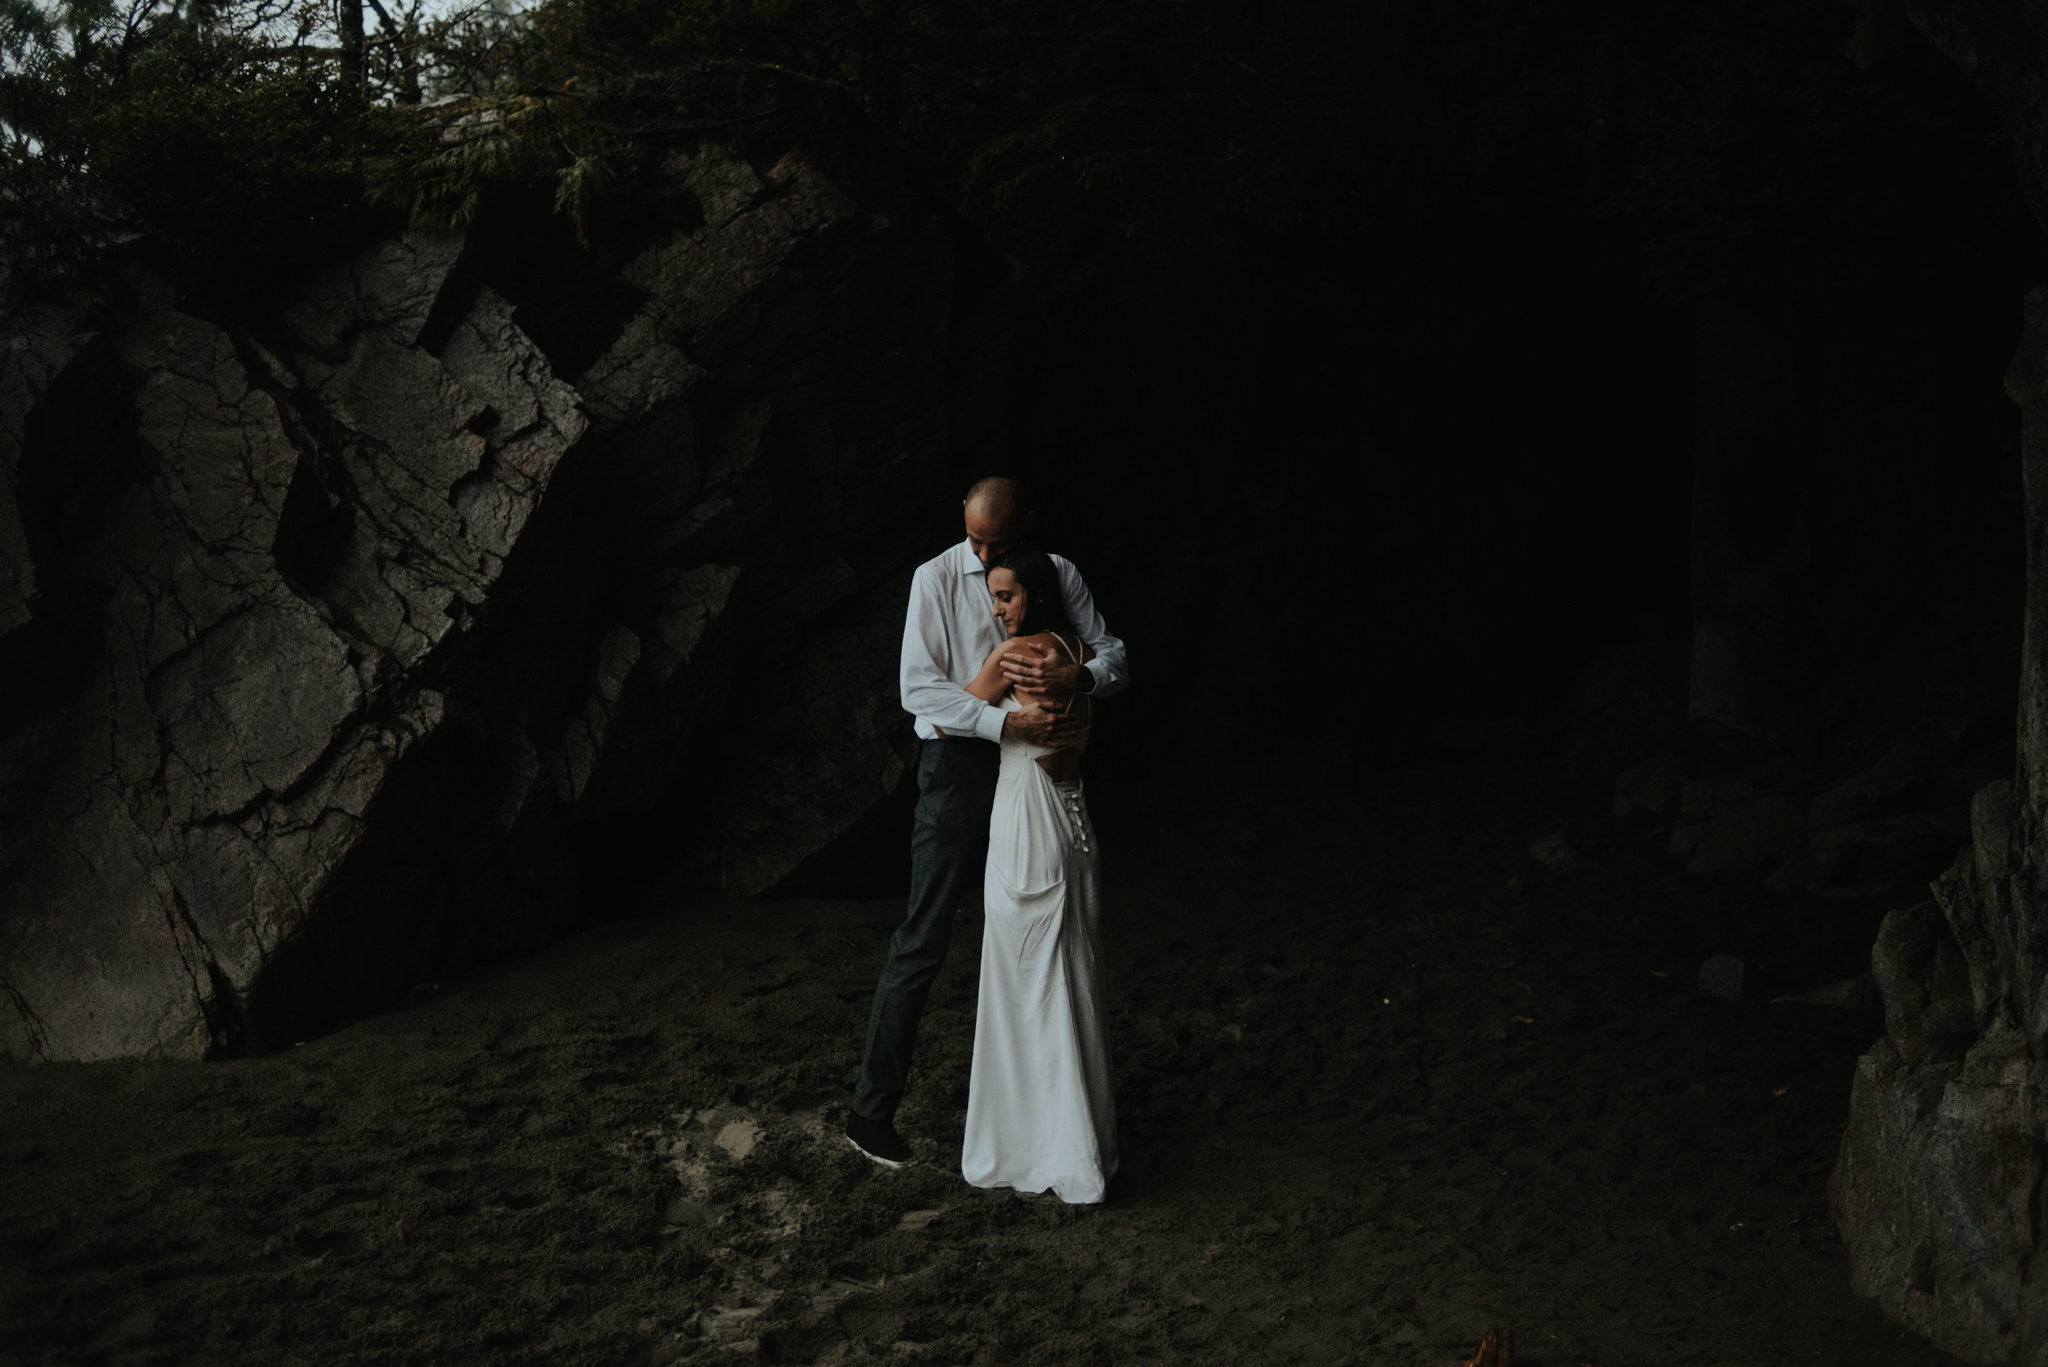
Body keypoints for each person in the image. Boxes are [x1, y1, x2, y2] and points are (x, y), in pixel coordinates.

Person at [846, 477, 1128, 1169]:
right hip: (957, 766)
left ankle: (1035, 1114)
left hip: (1031, 770)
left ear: (1026, 527)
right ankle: (869, 1114)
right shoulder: (933, 579)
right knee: (925, 935)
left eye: (997, 543)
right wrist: (1007, 715)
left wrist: (1079, 681)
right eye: (974, 538)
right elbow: (919, 688)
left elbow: (1112, 653)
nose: (982, 553)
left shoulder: (1057, 573)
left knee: (1038, 935)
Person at [957, 546, 1116, 1203]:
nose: (996, 611)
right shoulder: (1077, 651)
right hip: (1074, 821)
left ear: (1035, 596)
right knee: (1070, 971)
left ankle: (1030, 1144)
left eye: (1006, 597)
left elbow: (949, 714)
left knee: (1024, 975)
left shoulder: (1016, 655)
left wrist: (998, 715)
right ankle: (1082, 1141)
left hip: (1028, 821)